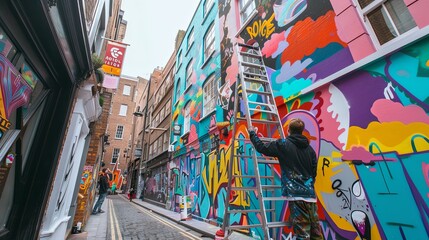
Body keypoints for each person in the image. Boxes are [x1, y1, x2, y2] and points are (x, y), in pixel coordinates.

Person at [248, 118, 323, 240]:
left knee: (302, 234)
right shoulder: (310, 150)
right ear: (302, 131)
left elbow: (262, 148)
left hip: (296, 195)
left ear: (288, 130)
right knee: (316, 234)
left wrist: (252, 133)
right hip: (310, 196)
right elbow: (313, 173)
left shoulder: (283, 145)